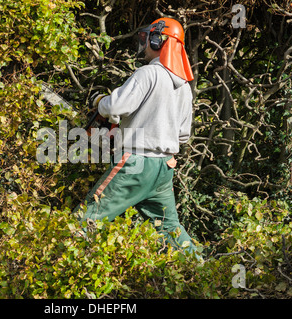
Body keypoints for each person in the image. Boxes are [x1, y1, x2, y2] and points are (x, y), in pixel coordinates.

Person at [74, 18, 201, 259]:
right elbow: (183, 134)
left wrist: (100, 102)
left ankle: (53, 270)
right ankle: (207, 273)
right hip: (165, 167)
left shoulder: (148, 73)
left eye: (148, 37)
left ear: (158, 40)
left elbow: (115, 107)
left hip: (135, 164)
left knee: (86, 219)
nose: (143, 43)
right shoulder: (184, 86)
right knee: (169, 228)